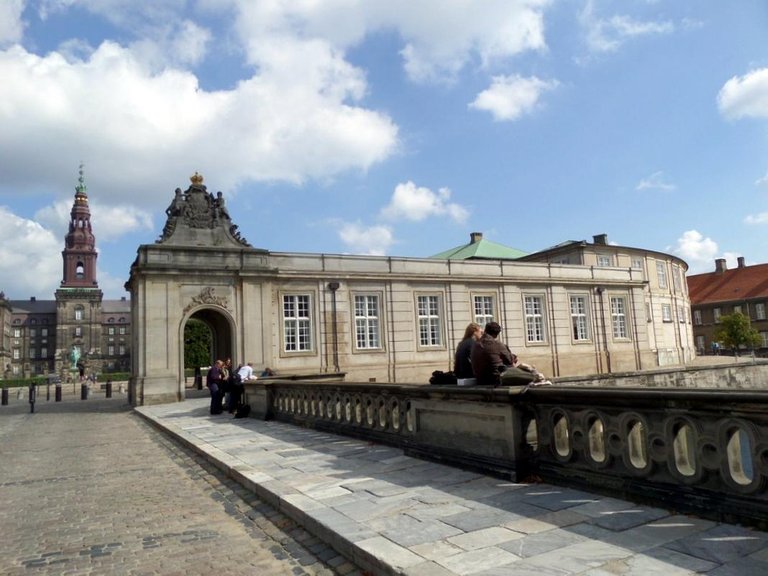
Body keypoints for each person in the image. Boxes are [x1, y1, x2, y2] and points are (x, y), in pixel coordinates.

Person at [471, 322, 550, 387]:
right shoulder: (496, 344)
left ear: (485, 330)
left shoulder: (475, 344)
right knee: (528, 371)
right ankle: (539, 379)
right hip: (496, 379)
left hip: (480, 380)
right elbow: (509, 360)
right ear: (496, 334)